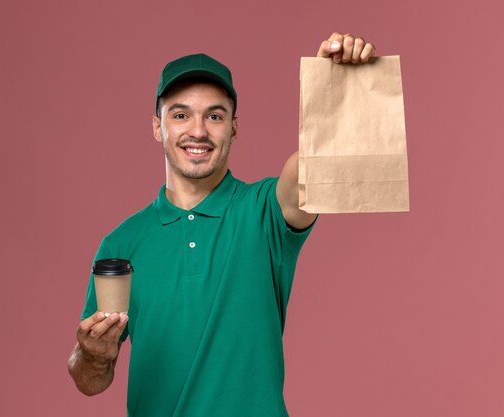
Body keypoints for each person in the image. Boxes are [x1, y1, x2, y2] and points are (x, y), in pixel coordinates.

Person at [68, 32, 376, 416]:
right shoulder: (121, 245)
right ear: (157, 126)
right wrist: (93, 356)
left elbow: (311, 169)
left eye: (214, 116)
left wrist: (331, 86)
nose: (197, 130)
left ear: (233, 127)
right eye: (180, 115)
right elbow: (90, 382)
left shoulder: (263, 211)